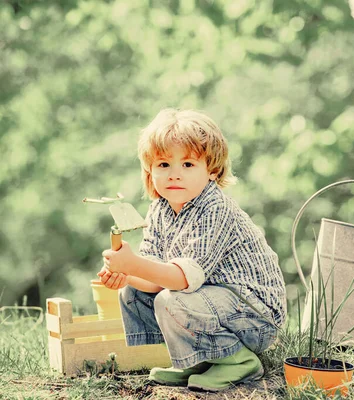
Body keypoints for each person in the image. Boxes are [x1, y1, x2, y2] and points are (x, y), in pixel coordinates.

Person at [97, 108, 286, 391]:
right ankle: (202, 359)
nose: (174, 175)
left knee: (170, 300)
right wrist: (126, 273)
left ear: (212, 170)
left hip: (254, 314)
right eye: (163, 165)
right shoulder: (160, 209)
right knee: (132, 294)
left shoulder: (214, 207)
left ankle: (238, 361)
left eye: (187, 164)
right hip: (212, 302)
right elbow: (153, 274)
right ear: (150, 171)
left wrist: (134, 264)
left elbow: (183, 279)